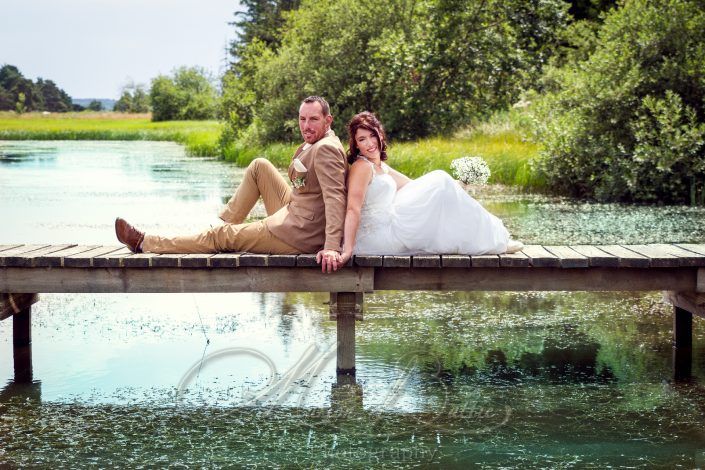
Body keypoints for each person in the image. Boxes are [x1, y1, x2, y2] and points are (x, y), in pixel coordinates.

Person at [115, 96, 348, 273]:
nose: (306, 125)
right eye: (302, 118)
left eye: (313, 120)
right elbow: (304, 185)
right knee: (260, 166)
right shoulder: (319, 141)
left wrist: (331, 247)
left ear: (328, 120)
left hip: (299, 234)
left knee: (221, 238)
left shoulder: (325, 148)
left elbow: (335, 198)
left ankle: (145, 242)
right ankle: (223, 224)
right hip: (295, 212)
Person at [339, 111, 523, 263]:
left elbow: (414, 185)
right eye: (362, 139)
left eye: (372, 135)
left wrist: (456, 188)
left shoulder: (381, 167)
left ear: (380, 134)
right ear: (355, 144)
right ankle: (495, 240)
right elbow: (353, 208)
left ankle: (493, 238)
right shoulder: (361, 167)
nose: (370, 143)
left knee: (441, 183)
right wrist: (348, 249)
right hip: (377, 237)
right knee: (441, 179)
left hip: (390, 225)